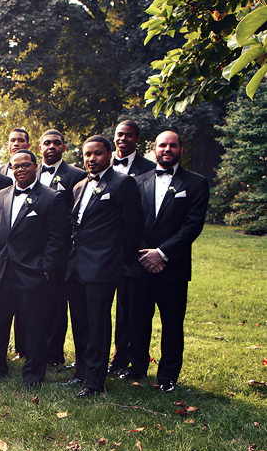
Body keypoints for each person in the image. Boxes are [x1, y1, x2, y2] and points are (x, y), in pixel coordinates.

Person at [120, 131, 209, 392]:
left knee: (172, 323)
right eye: (162, 145)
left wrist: (161, 253)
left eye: (173, 145)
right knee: (137, 320)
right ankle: (136, 368)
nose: (167, 149)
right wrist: (142, 254)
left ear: (181, 149)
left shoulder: (195, 183)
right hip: (140, 265)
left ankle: (168, 376)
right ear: (154, 149)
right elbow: (128, 223)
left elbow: (193, 225)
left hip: (174, 266)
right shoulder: (137, 181)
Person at [0, 150, 71, 386]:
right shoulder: (0, 196)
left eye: (25, 165)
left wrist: (46, 269)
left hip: (33, 273)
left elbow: (58, 240)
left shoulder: (51, 197)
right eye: (15, 166)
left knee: (35, 328)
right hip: (0, 270)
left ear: (36, 166)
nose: (20, 169)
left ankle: (33, 375)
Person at [63, 136, 142, 397]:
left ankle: (95, 382)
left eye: (97, 153)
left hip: (104, 266)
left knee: (97, 324)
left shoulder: (122, 183)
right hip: (76, 266)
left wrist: (123, 261)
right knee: (80, 322)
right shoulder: (79, 186)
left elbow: (133, 227)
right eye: (87, 154)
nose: (91, 159)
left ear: (109, 154)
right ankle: (81, 373)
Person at [108, 119, 156, 374]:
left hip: (135, 249)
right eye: (119, 135)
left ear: (138, 139)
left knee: (133, 310)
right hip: (106, 249)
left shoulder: (149, 169)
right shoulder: (103, 165)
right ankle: (115, 360)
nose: (123, 139)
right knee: (109, 309)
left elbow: (147, 214)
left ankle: (136, 362)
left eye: (128, 135)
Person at [36, 130, 86, 369]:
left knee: (57, 303)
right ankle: (29, 348)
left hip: (61, 249)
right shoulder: (29, 172)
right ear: (40, 147)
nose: (51, 147)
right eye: (47, 143)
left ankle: (55, 354)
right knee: (33, 301)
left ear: (64, 147)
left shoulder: (76, 175)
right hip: (30, 249)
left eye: (57, 143)